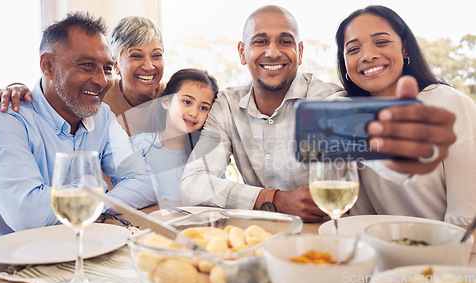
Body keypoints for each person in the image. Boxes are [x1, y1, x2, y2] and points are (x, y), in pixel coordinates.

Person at [179, 5, 456, 222]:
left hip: (325, 236)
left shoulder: (328, 100)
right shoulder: (226, 105)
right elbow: (192, 184)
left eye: (285, 42)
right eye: (260, 41)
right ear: (242, 52)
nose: (273, 52)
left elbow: (368, 160)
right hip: (263, 236)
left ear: (299, 52)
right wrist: (274, 199)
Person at [0, 12, 157, 249]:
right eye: (87, 66)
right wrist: (98, 188)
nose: (102, 81)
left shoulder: (102, 116)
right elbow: (29, 215)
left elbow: (146, 182)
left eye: (107, 68)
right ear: (48, 65)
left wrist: (94, 203)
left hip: (75, 255)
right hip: (3, 270)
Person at [335, 5, 476, 224]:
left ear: (405, 49)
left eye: (381, 42)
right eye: (353, 49)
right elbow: (356, 214)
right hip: (379, 250)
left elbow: (467, 215)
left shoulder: (448, 104)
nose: (368, 55)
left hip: (449, 253)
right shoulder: (348, 118)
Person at [0, 15, 165, 137]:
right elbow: (53, 92)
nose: (149, 66)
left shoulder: (175, 95)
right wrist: (16, 87)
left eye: (157, 55)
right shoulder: (98, 98)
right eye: (136, 56)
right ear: (116, 65)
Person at [131, 68, 218, 202]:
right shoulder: (140, 146)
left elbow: (218, 198)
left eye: (203, 108)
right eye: (187, 102)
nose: (194, 113)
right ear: (166, 102)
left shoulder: (207, 157)